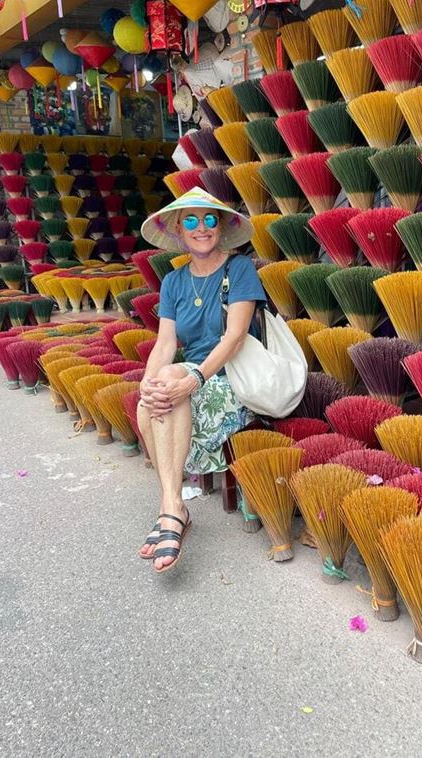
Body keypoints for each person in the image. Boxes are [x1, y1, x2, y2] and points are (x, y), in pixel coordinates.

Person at [137, 186, 266, 573]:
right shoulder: (174, 281)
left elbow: (236, 337)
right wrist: (148, 380)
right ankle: (173, 506)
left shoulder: (239, 269)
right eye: (190, 220)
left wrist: (192, 377)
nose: (201, 228)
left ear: (221, 226)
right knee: (150, 400)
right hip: (192, 378)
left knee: (171, 385)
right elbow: (164, 344)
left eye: (209, 219)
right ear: (178, 230)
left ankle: (170, 511)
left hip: (233, 379)